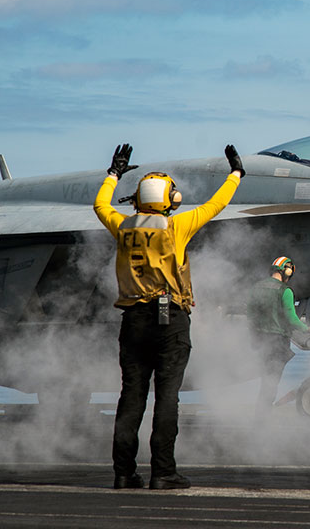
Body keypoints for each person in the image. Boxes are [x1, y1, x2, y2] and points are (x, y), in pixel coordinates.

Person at [94, 142, 244, 490]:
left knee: (131, 397)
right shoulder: (176, 227)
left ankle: (123, 472)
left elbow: (100, 205)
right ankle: (163, 472)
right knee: (167, 397)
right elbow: (216, 204)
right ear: (170, 199)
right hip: (169, 320)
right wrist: (235, 174)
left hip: (132, 321)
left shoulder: (123, 226)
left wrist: (113, 174)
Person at [246, 256, 310, 423]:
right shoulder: (285, 291)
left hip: (260, 340)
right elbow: (291, 318)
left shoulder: (256, 288)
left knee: (265, 380)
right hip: (277, 342)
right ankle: (261, 420)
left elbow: (250, 315)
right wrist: (308, 329)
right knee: (271, 383)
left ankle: (261, 417)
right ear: (287, 271)